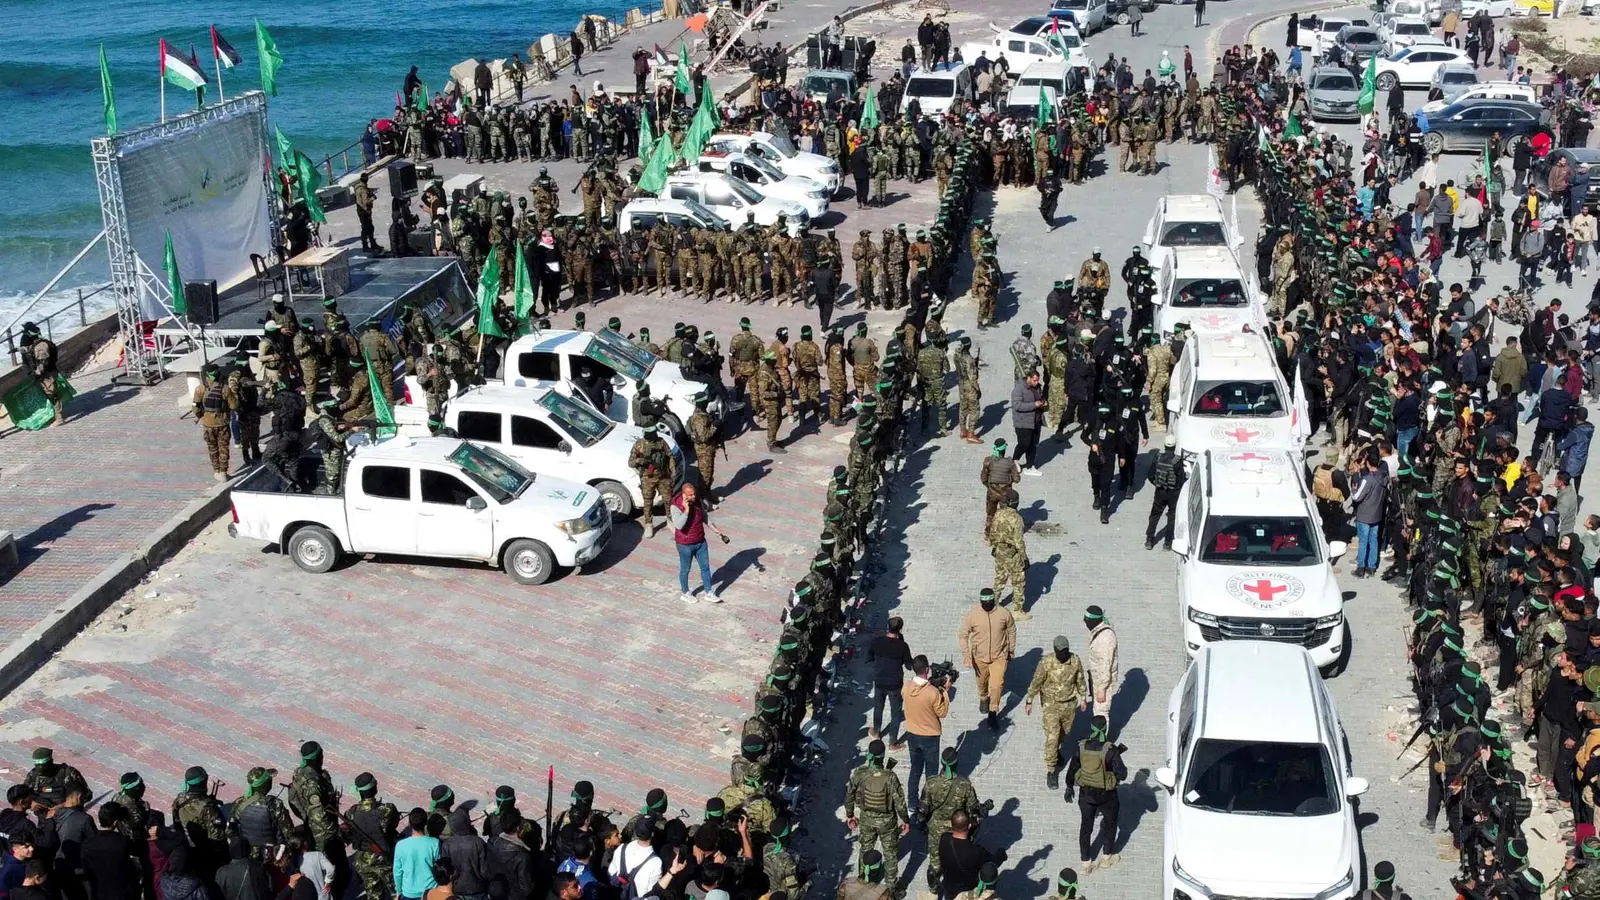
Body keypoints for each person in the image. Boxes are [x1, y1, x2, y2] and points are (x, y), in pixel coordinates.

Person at [1063, 715, 1125, 873]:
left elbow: (1072, 769)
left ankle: (1086, 862)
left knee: (1086, 826)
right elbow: (1122, 774)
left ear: (1090, 728)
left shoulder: (1081, 747)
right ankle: (1106, 858)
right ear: (1105, 728)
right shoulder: (1110, 749)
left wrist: (1069, 787)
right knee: (1110, 824)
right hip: (1107, 796)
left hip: (1086, 795)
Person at [844, 741, 910, 890]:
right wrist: (905, 820)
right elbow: (900, 802)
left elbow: (849, 795)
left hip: (867, 819)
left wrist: (850, 815)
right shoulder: (890, 776)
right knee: (890, 854)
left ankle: (864, 880)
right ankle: (891, 888)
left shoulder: (860, 773)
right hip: (887, 822)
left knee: (865, 849)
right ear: (883, 756)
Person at [1026, 635, 1088, 790]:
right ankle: (1051, 770)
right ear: (1055, 650)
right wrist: (1029, 700)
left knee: (1064, 734)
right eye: (1060, 651)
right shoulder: (1046, 662)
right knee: (1052, 738)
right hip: (1051, 705)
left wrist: (1083, 697)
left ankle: (1056, 752)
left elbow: (1080, 679)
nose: (1063, 653)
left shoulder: (1075, 660)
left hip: (1069, 705)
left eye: (1065, 650)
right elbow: (1036, 681)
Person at [960, 589, 1016, 730]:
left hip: (999, 656)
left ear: (993, 601)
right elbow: (963, 635)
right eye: (984, 603)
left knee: (997, 684)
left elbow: (1011, 630)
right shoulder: (973, 615)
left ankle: (993, 711)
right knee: (982, 682)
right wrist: (967, 655)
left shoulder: (1003, 613)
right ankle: (984, 697)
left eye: (989, 603)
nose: (987, 605)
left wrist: (1011, 649)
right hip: (979, 658)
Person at [902, 656, 951, 806]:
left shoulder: (906, 687)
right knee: (931, 774)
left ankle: (912, 803)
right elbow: (942, 712)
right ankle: (928, 804)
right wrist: (945, 692)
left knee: (915, 770)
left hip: (912, 734)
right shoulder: (932, 693)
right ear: (927, 669)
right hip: (930, 736)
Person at [670, 482, 726, 604]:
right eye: (690, 495)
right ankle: (685, 593)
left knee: (705, 567)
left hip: (700, 541)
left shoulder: (697, 500)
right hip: (685, 544)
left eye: (694, 493)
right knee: (685, 569)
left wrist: (715, 529)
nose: (693, 496)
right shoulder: (676, 506)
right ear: (684, 495)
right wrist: (686, 510)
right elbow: (679, 525)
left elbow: (704, 516)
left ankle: (709, 592)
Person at [868, 617, 913, 745]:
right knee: (896, 713)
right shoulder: (902, 646)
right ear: (900, 629)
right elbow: (909, 665)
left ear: (888, 627)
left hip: (879, 681)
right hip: (895, 684)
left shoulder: (876, 642)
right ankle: (893, 742)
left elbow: (869, 658)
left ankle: (876, 731)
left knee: (878, 707)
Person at [1144, 435, 1184, 550]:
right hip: (1173, 493)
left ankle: (1149, 540)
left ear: (1165, 445)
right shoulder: (1177, 461)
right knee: (1171, 517)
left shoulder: (1158, 458)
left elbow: (1150, 475)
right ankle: (1167, 543)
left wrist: (1157, 483)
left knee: (1154, 515)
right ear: (1175, 446)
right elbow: (1180, 479)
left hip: (1160, 491)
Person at [392, 810, 439, 900]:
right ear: (425, 823)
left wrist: (398, 891)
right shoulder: (434, 843)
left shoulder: (400, 845)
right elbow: (438, 867)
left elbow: (397, 872)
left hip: (408, 892)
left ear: (409, 824)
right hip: (430, 891)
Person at [1084, 607, 1118, 719]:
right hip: (1096, 677)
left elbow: (1105, 665)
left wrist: (1102, 689)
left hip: (1102, 681)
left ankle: (1101, 735)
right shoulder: (1099, 629)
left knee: (1100, 713)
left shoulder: (1105, 640)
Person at [1011, 370, 1046, 474]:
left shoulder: (1038, 387)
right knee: (1024, 443)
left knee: (1033, 444)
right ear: (1029, 378)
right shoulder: (1019, 389)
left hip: (1036, 421)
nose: (1036, 382)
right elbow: (1017, 406)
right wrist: (1034, 405)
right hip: (1023, 422)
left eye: (1037, 380)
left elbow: (1040, 398)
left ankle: (1030, 466)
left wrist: (1043, 403)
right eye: (1034, 380)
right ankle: (1014, 460)